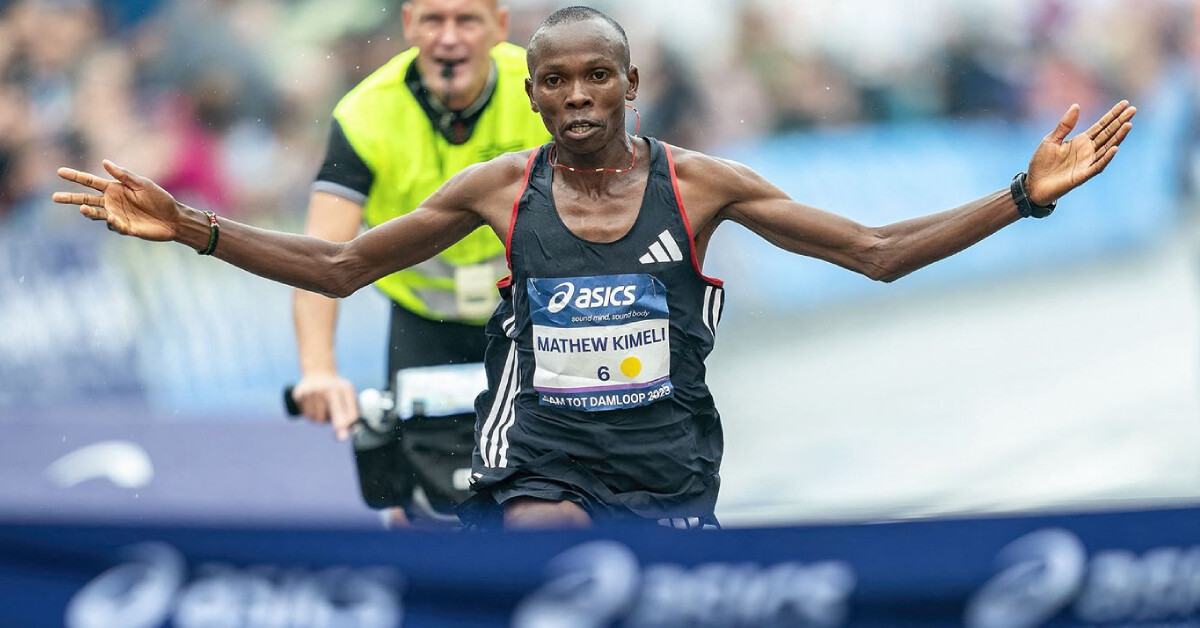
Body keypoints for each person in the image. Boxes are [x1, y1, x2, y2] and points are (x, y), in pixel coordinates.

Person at [53, 6, 1136, 530]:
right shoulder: (497, 189)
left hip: (672, 468)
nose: (576, 97)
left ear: (630, 84)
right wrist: (190, 226)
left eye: (597, 78)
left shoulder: (703, 184)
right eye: (556, 81)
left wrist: (1022, 197)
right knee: (546, 563)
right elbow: (340, 265)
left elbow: (876, 253)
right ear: (532, 94)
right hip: (543, 461)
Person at [290, 0, 549, 526]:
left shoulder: (543, 90)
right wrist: (318, 371)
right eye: (434, 20)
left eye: (467, 20)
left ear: (499, 26)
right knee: (415, 505)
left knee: (548, 493)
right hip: (422, 324)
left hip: (529, 316)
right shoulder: (365, 114)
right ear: (409, 25)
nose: (449, 37)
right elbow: (321, 258)